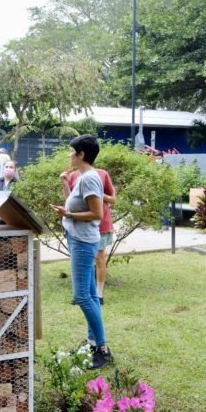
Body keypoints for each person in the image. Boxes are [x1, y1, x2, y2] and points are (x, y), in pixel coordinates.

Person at [51, 135, 112, 369]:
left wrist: (67, 215)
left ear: (82, 155)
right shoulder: (83, 178)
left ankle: (103, 349)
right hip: (78, 238)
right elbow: (74, 206)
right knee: (91, 295)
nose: (69, 155)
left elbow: (97, 213)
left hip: (83, 242)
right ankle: (92, 342)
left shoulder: (90, 179)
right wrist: (65, 199)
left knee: (83, 297)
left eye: (71, 151)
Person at [66, 167, 116, 304]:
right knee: (82, 259)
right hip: (80, 225)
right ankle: (83, 293)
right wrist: (64, 183)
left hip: (101, 223)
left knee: (99, 257)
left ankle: (99, 294)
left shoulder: (102, 174)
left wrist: (98, 193)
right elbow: (69, 199)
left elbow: (113, 199)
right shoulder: (74, 175)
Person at [0, 160, 18, 226]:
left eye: (11, 167)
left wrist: (6, 214)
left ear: (15, 170)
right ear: (3, 168)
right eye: (6, 167)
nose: (8, 169)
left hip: (12, 216)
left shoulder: (18, 183)